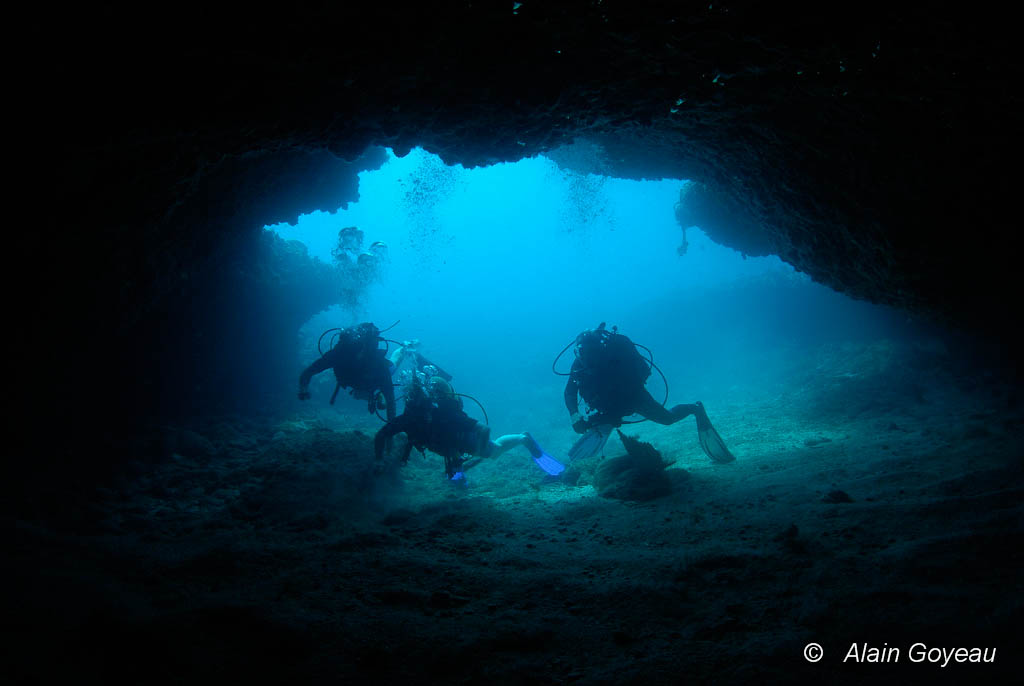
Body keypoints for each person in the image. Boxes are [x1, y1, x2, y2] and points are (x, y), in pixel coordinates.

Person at [561, 322, 734, 462]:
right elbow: (569, 392)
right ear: (578, 352)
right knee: (600, 423)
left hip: (634, 397)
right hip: (606, 406)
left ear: (600, 349)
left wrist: (615, 413)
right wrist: (574, 415)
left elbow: (636, 380)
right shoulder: (579, 364)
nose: (588, 357)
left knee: (667, 419)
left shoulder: (616, 358)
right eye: (583, 352)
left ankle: (695, 409)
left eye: (592, 352)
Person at [374, 375, 561, 481]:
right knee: (454, 471)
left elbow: (483, 429)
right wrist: (379, 459)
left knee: (493, 451)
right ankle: (459, 478)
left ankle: (523, 438)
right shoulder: (408, 419)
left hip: (464, 440)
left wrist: (479, 450)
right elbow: (381, 435)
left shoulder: (444, 415)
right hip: (448, 446)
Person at [298, 321, 396, 424]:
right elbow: (309, 372)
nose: (360, 352)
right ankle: (374, 396)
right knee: (358, 394)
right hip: (359, 384)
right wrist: (303, 390)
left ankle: (402, 350)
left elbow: (390, 400)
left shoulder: (378, 363)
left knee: (393, 365)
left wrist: (390, 431)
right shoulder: (339, 354)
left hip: (371, 381)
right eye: (356, 347)